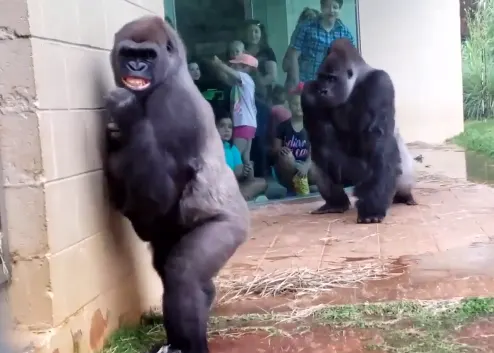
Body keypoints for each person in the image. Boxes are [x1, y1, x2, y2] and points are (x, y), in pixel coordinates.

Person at [283, 0, 355, 90]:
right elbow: (293, 55)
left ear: (339, 9)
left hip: (331, 88)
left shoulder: (345, 33)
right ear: (321, 7)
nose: (331, 10)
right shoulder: (305, 28)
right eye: (328, 6)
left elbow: (350, 61)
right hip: (307, 85)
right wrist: (297, 84)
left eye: (335, 7)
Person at [212, 53, 258, 166]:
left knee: (235, 153)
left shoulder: (245, 78)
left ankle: (232, 176)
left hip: (243, 122)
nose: (233, 67)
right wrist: (216, 68)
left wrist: (219, 64)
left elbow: (230, 73)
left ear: (245, 67)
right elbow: (226, 78)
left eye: (236, 65)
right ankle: (248, 180)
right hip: (248, 123)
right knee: (245, 156)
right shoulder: (239, 84)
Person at [272, 83, 316, 194]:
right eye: (295, 104)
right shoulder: (282, 126)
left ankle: (306, 186)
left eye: (301, 104)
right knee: (287, 157)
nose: (298, 107)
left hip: (305, 164)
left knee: (317, 170)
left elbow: (313, 151)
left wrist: (306, 165)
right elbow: (275, 149)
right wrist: (280, 150)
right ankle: (293, 187)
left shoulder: (311, 126)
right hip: (289, 165)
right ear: (289, 106)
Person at [216, 114, 268, 201]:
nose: (227, 130)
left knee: (262, 182)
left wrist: (247, 170)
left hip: (235, 188)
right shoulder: (212, 149)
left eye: (230, 127)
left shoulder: (233, 150)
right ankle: (242, 199)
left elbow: (241, 176)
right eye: (222, 126)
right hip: (219, 190)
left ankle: (241, 199)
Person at [242, 19, 278, 98]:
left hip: (262, 94)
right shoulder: (240, 50)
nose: (253, 35)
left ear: (261, 34)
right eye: (250, 31)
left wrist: (257, 84)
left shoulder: (267, 52)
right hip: (242, 93)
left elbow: (272, 76)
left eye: (256, 31)